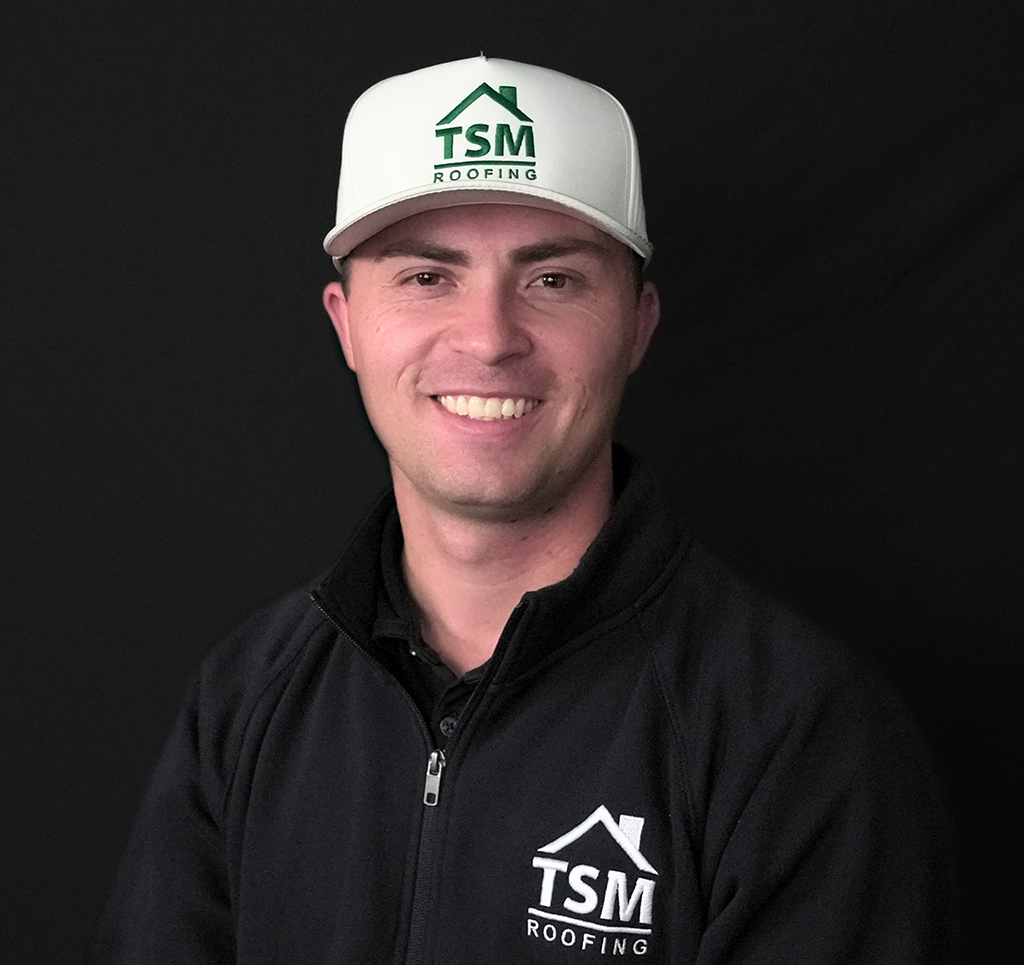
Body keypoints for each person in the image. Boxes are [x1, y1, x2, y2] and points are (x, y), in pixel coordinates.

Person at [89, 57, 956, 964]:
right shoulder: (248, 698)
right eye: (427, 276)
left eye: (553, 280)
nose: (490, 337)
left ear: (637, 324)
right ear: (347, 324)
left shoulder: (800, 737)